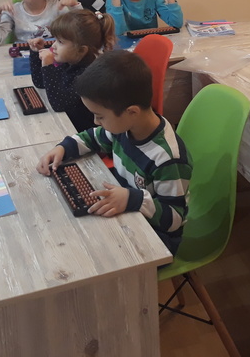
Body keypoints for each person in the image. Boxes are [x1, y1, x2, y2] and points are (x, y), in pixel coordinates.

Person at [37, 50, 191, 254]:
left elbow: (174, 219)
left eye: (100, 116)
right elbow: (93, 137)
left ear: (132, 112)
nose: (95, 122)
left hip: (158, 237)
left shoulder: (167, 158)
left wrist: (132, 199)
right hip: (127, 209)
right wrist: (63, 148)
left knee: (85, 252)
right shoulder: (124, 127)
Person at [27, 10, 116, 132]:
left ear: (81, 50)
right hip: (70, 125)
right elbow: (41, 83)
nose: (53, 46)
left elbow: (59, 104)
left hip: (85, 133)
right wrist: (36, 53)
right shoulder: (71, 62)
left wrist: (48, 66)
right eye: (55, 39)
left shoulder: (88, 74)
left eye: (60, 42)